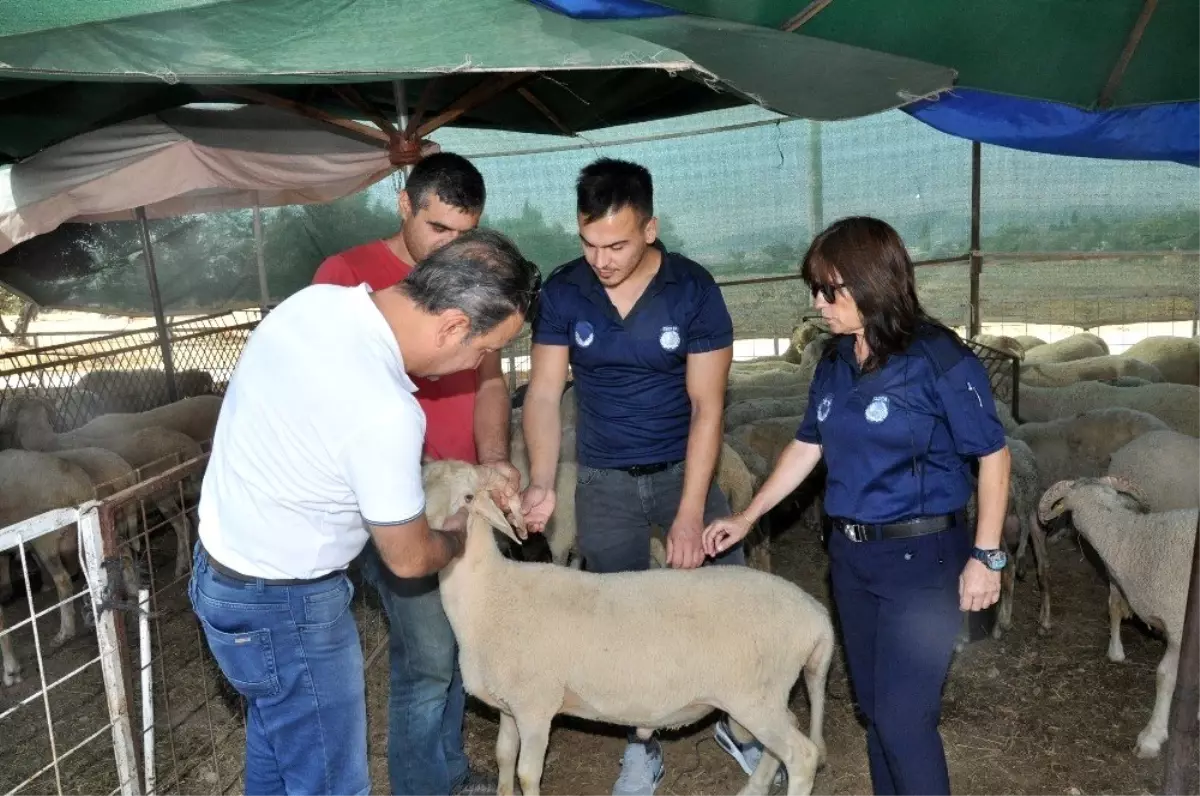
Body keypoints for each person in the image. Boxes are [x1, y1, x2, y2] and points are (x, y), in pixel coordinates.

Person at [189, 228, 540, 796]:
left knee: (278, 747)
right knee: (331, 782)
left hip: (220, 574)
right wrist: (455, 535)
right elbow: (407, 559)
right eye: (480, 350)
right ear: (451, 324)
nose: (475, 364)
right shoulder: (386, 410)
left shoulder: (312, 305)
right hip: (289, 605)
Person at [702, 216, 1011, 796]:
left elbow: (993, 455)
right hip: (851, 557)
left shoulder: (938, 358)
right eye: (814, 289)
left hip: (923, 558)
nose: (817, 303)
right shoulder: (835, 360)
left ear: (872, 283)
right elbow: (808, 444)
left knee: (904, 718)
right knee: (872, 707)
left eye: (829, 289)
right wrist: (747, 515)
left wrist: (986, 555)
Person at [519, 157, 765, 796]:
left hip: (686, 468)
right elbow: (544, 395)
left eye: (617, 244)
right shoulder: (565, 289)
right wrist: (543, 480)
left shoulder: (692, 290)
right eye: (589, 242)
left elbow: (709, 406)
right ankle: (642, 743)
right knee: (617, 615)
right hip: (602, 477)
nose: (601, 258)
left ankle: (738, 720)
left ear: (650, 228)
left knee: (726, 597)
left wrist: (690, 512)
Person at [311, 152, 517, 795]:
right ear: (405, 204)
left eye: (467, 232)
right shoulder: (346, 276)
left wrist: (492, 463)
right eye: (440, 229)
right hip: (395, 497)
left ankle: (445, 768)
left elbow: (489, 380)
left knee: (457, 636)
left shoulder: (472, 279)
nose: (454, 248)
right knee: (428, 653)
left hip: (460, 491)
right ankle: (423, 784)